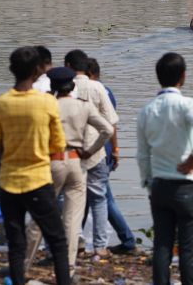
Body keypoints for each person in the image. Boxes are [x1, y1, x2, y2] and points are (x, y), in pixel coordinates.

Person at [0, 46, 70, 285]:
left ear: (12, 70)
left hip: (9, 181)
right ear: (37, 71)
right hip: (38, 179)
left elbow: (0, 145)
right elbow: (58, 143)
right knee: (57, 240)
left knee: (16, 244)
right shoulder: (46, 102)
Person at [24, 67, 114, 274]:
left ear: (53, 87)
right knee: (72, 220)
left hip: (52, 161)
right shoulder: (83, 106)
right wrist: (90, 151)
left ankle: (24, 263)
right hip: (76, 162)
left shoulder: (47, 107)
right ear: (73, 86)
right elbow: (107, 130)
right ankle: (68, 268)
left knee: (41, 215)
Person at [137, 53, 193, 285]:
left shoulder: (147, 110)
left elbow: (142, 155)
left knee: (162, 246)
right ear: (183, 76)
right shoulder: (187, 104)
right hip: (187, 185)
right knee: (189, 250)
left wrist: (148, 182)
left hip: (160, 184)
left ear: (158, 77)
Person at [64, 49, 119, 260]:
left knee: (70, 199)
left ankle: (75, 242)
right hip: (95, 152)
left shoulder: (65, 87)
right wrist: (113, 149)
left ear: (68, 65)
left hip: (70, 154)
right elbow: (111, 122)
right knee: (99, 200)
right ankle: (100, 247)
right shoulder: (98, 87)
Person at [85, 58, 138, 255]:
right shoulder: (106, 91)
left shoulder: (91, 91)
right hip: (103, 150)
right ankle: (79, 240)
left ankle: (127, 239)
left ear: (88, 74)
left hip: (96, 151)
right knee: (95, 198)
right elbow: (112, 124)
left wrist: (115, 150)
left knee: (104, 199)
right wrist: (116, 150)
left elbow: (110, 124)